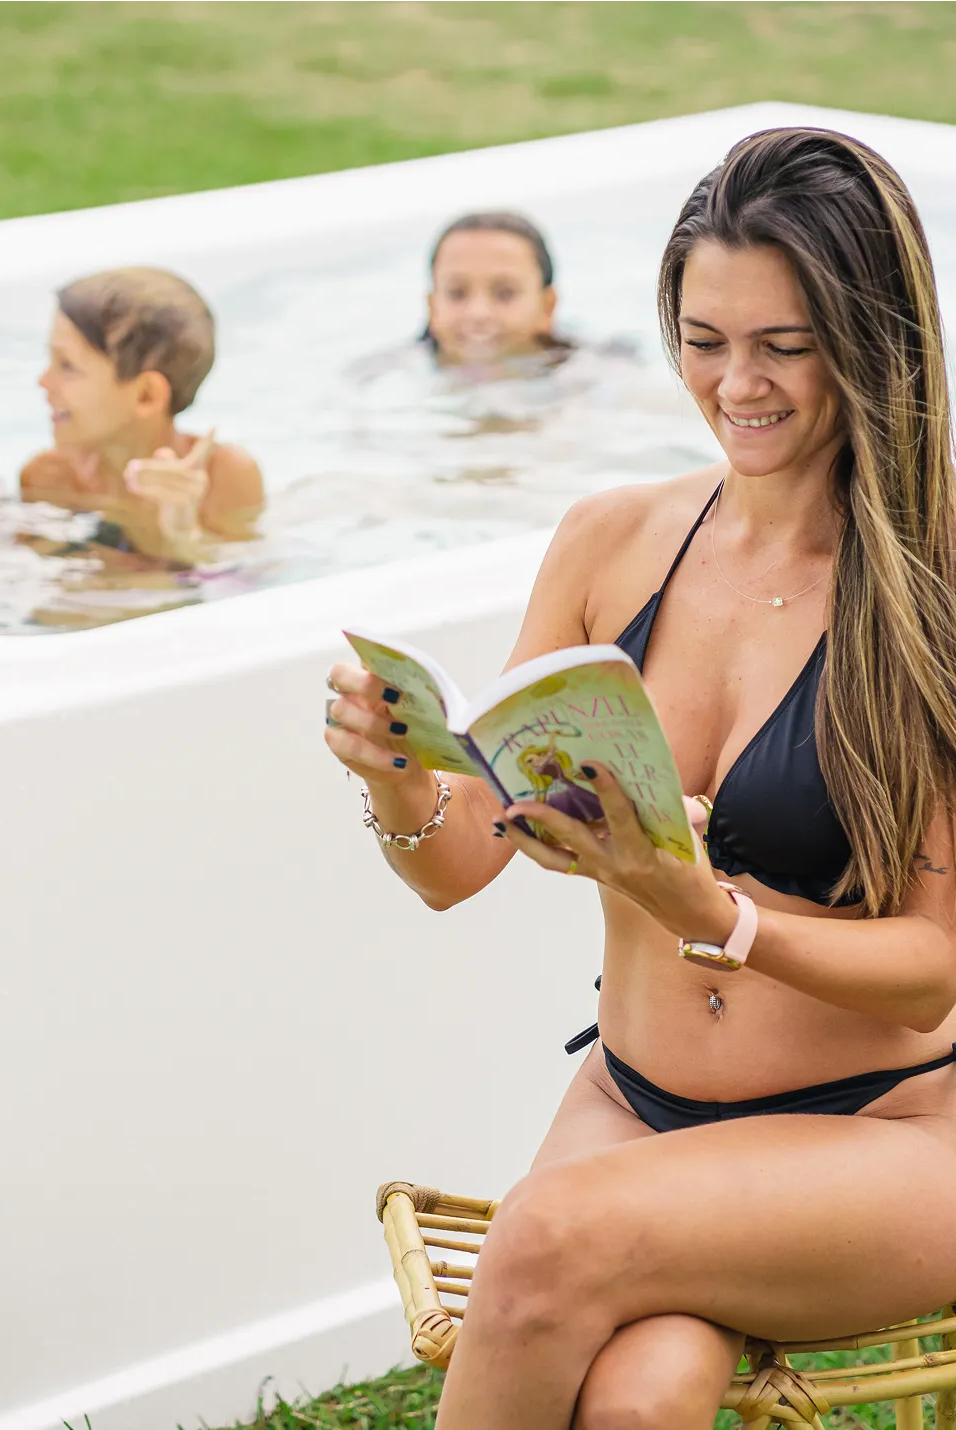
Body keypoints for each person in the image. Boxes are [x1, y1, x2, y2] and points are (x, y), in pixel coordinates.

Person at [325, 126, 956, 1430]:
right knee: (643, 1389)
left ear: (876, 337)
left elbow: (934, 971)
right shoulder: (611, 547)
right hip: (639, 1102)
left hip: (886, 1132)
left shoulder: (932, 589)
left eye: (784, 346)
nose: (738, 385)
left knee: (542, 1242)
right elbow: (456, 865)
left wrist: (705, 911)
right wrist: (398, 782)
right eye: (705, 339)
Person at [18, 266, 264, 565]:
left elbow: (248, 584)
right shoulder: (51, 478)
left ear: (146, 395)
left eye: (67, 366)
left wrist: (182, 532)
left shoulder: (224, 476)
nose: (43, 382)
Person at [421, 211, 569, 370]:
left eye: (505, 294)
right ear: (432, 307)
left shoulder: (583, 373)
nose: (478, 314)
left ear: (547, 306)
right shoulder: (401, 370)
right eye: (457, 293)